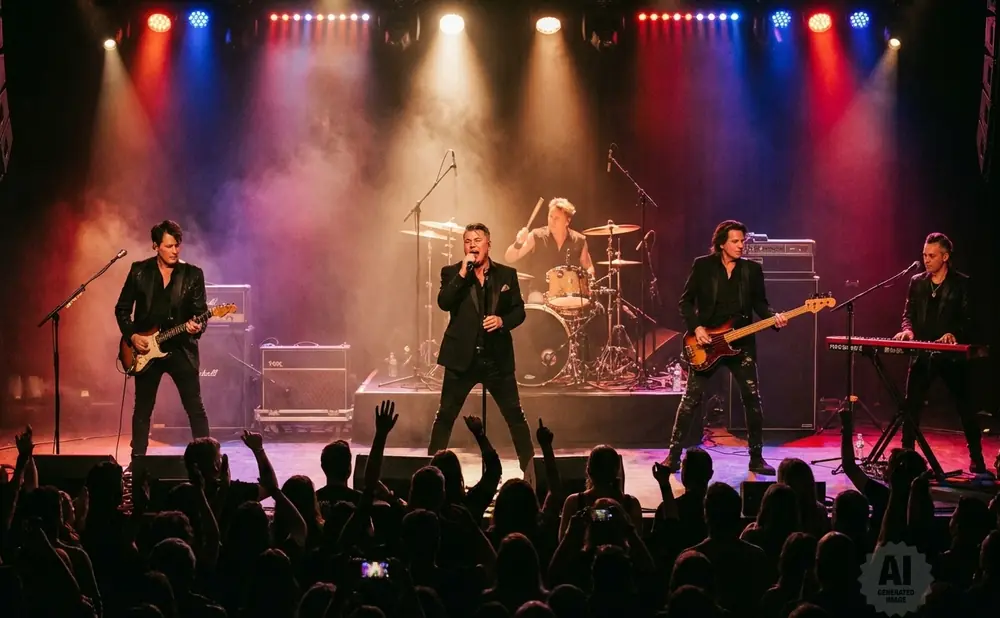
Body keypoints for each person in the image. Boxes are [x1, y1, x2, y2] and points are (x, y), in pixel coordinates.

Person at [663, 220, 787, 475]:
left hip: (740, 344)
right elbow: (685, 303)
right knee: (690, 400)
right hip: (707, 343)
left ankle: (756, 458)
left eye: (743, 241)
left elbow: (760, 305)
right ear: (721, 244)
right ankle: (673, 456)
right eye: (735, 241)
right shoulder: (703, 266)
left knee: (752, 399)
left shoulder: (751, 270)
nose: (741, 245)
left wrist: (774, 318)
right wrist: (696, 327)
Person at [429, 223, 536, 472]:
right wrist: (464, 274)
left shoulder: (507, 275)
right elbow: (444, 302)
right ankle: (429, 474)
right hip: (461, 359)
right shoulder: (452, 273)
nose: (472, 245)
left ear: (489, 243)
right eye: (467, 241)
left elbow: (519, 311)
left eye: (478, 240)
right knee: (445, 416)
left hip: (496, 359)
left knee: (515, 416)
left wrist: (502, 321)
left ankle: (532, 473)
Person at [892, 232, 989, 474]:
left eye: (932, 255)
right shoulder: (917, 282)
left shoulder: (962, 283)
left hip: (951, 356)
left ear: (945, 257)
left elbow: (969, 319)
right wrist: (908, 331)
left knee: (965, 406)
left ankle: (976, 457)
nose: (926, 259)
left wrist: (954, 334)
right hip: (923, 353)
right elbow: (908, 314)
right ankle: (907, 456)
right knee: (911, 406)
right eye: (924, 255)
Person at [115, 220, 210, 457]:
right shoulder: (139, 271)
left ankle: (208, 460)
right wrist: (133, 335)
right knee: (143, 410)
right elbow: (122, 309)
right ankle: (137, 461)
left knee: (195, 408)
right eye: (169, 246)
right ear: (155, 246)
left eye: (177, 245)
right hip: (146, 350)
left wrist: (195, 327)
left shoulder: (192, 274)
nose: (175, 251)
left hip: (181, 350)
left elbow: (201, 314)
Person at [504, 198, 594, 304]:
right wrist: (518, 243)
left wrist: (590, 283)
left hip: (567, 295)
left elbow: (589, 267)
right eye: (550, 216)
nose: (552, 221)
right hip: (539, 293)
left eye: (557, 218)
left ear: (567, 221)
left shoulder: (579, 240)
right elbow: (509, 258)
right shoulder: (536, 236)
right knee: (535, 299)